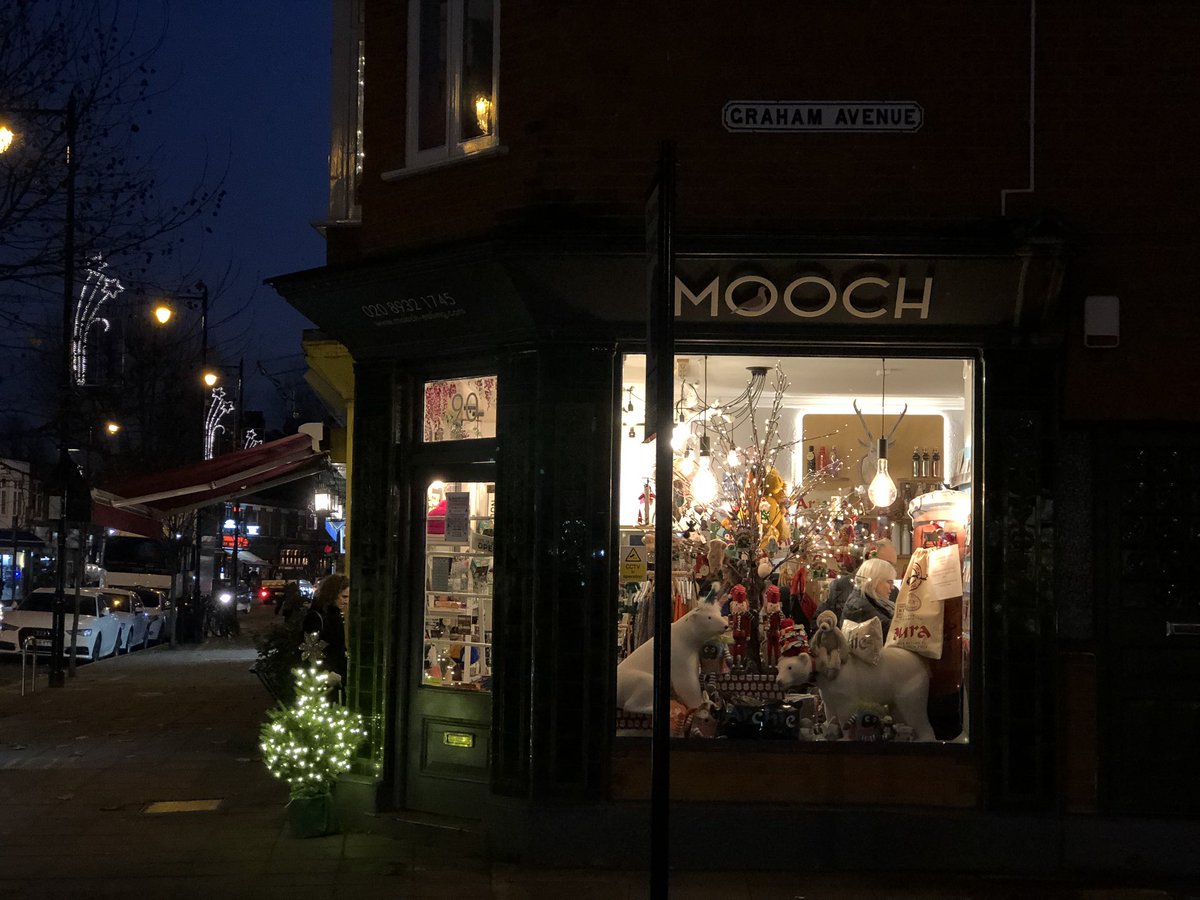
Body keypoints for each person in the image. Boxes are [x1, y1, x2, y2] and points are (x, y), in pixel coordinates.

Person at [303, 574, 349, 685]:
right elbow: (309, 650)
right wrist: (325, 672)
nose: (346, 601)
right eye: (344, 597)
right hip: (324, 679)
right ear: (333, 595)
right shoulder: (317, 617)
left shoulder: (334, 615)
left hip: (332, 676)